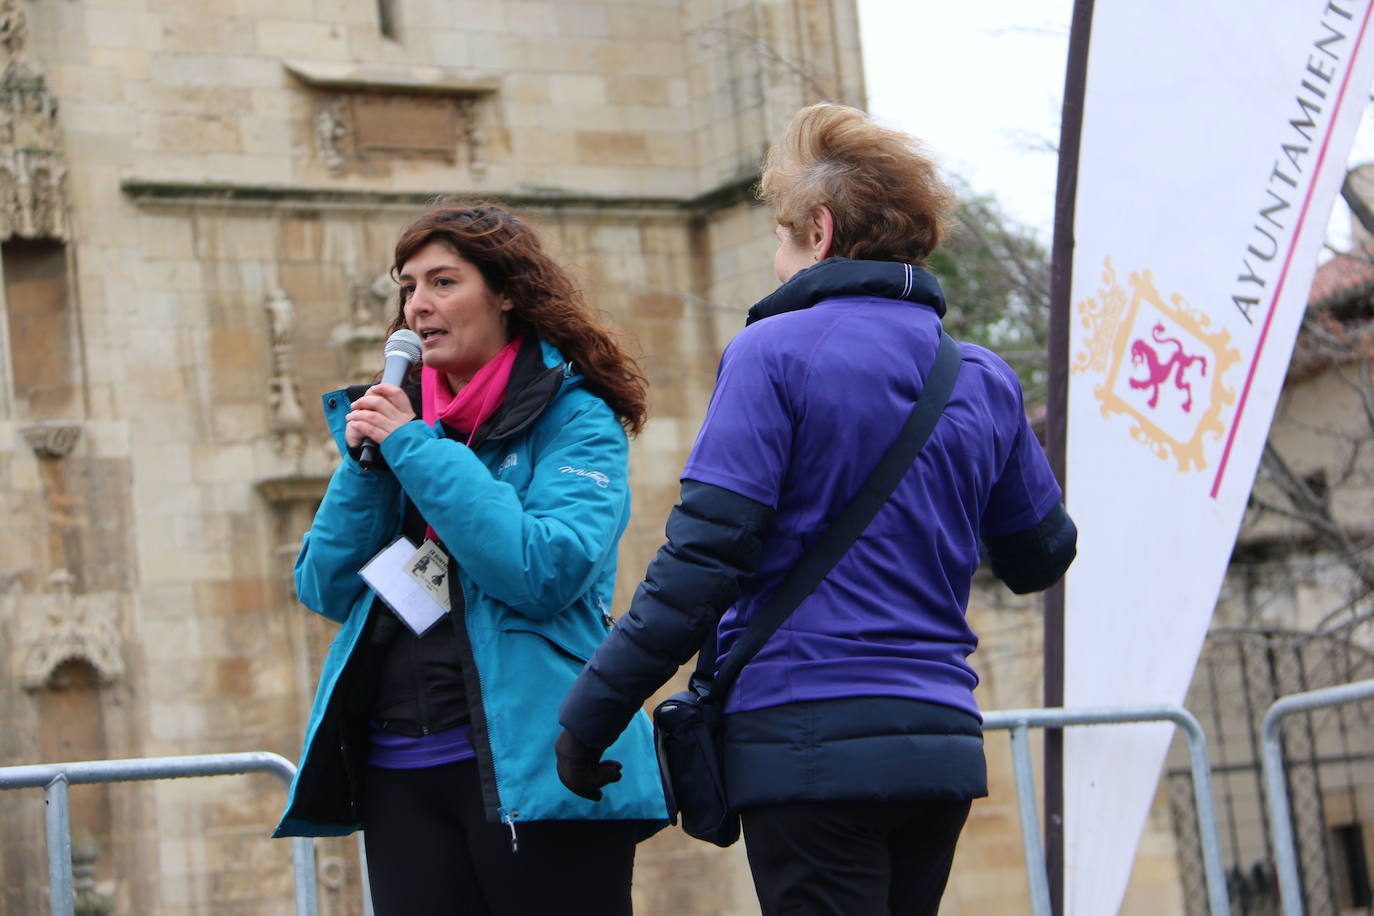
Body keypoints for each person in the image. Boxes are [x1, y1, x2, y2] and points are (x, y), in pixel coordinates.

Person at [555, 103, 1078, 916]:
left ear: (821, 231)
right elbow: (1039, 556)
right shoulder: (980, 376)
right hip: (937, 742)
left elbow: (702, 562)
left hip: (807, 737)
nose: (776, 258)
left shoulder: (773, 351)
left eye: (780, 234)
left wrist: (592, 712)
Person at [273, 200, 668, 916]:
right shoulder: (400, 426)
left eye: (443, 282)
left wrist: (414, 450)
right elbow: (324, 587)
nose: (417, 305)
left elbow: (543, 570)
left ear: (508, 292)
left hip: (536, 771)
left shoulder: (575, 419)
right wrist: (368, 467)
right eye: (408, 286)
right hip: (401, 773)